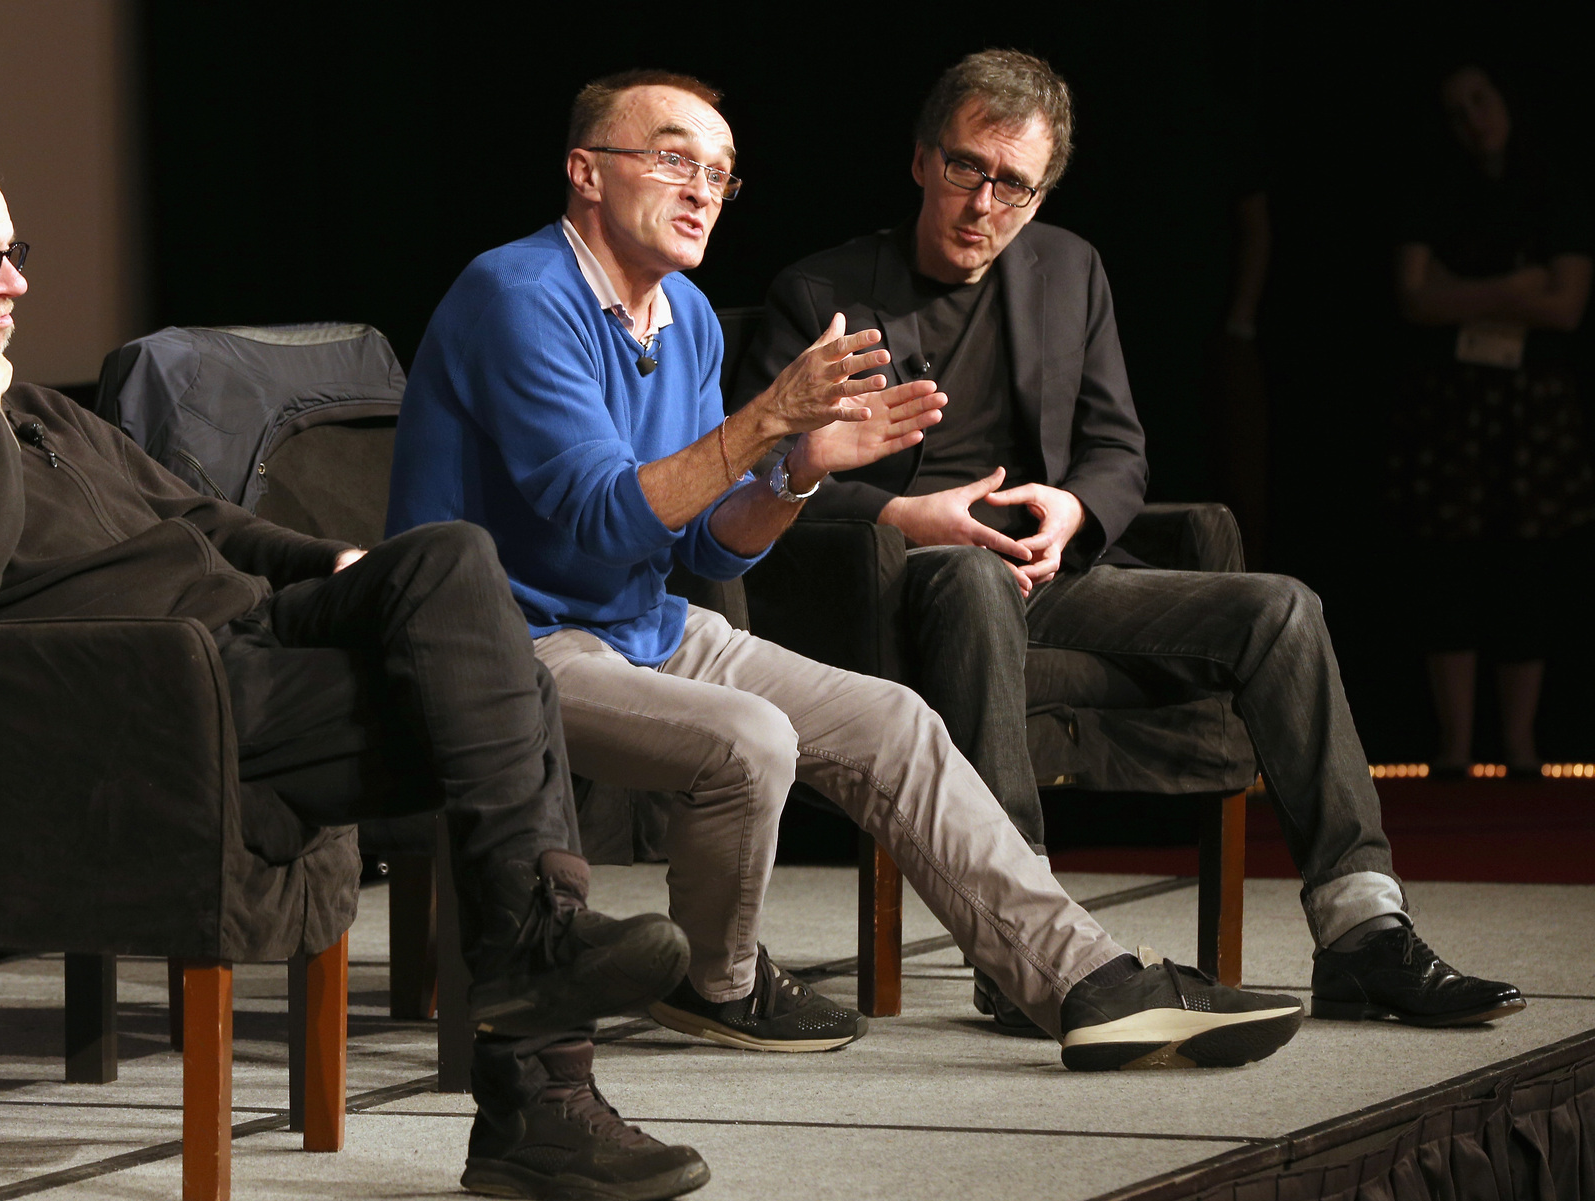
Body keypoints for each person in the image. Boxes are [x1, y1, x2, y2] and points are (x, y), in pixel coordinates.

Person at [0, 132, 711, 1201]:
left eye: (16, 252)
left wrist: (332, 560)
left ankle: (529, 967)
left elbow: (195, 517)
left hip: (249, 638)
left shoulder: (38, 410)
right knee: (512, 704)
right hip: (144, 699)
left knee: (453, 563)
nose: (17, 282)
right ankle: (536, 1088)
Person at [389, 71, 1306, 1073]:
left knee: (891, 722)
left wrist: (796, 471)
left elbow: (700, 546)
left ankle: (1084, 982)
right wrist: (765, 424)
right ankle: (716, 980)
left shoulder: (685, 316)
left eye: (720, 173)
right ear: (585, 173)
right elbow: (603, 513)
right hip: (502, 644)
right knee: (750, 737)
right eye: (672, 159)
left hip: (638, 623)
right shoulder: (516, 293)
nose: (702, 189)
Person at [735, 50, 1525, 1030]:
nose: (983, 201)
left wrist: (1073, 511)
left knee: (1280, 609)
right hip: (902, 588)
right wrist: (904, 516)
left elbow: (1114, 451)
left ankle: (1362, 935)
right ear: (919, 161)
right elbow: (760, 484)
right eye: (964, 168)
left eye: (1011, 183)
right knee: (966, 581)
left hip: (1052, 571)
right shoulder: (822, 295)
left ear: (1039, 192)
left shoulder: (1068, 270)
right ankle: (1025, 946)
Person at [1392, 63, 1592, 781]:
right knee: (1450, 568)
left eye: (1481, 99)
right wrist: (1518, 285)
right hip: (1454, 405)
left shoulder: (1554, 188)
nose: (1473, 117)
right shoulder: (1432, 192)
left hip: (1531, 402)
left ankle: (1521, 747)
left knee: (1527, 569)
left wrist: (1461, 290)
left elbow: (1567, 304)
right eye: (1456, 109)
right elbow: (1415, 299)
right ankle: (1452, 749)